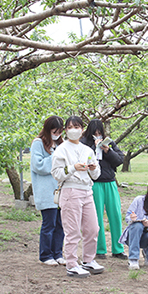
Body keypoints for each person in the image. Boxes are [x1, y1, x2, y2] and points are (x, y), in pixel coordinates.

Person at [51, 116, 105, 278]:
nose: (74, 130)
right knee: (72, 230)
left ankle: (88, 260)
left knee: (93, 228)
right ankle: (72, 264)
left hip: (87, 190)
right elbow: (57, 174)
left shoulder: (87, 150)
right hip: (70, 190)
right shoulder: (62, 149)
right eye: (70, 127)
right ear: (66, 130)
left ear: (82, 129)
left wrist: (93, 168)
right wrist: (72, 168)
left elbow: (96, 175)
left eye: (77, 126)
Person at [80, 119, 127, 260]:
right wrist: (94, 149)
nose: (97, 135)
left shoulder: (109, 142)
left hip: (110, 182)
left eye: (99, 132)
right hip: (95, 183)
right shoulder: (83, 144)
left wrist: (108, 150)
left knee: (115, 215)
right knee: (96, 217)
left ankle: (118, 248)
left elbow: (120, 159)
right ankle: (99, 249)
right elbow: (82, 161)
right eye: (94, 133)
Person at [31, 116, 65, 266]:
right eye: (54, 131)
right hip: (46, 192)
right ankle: (46, 255)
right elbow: (37, 166)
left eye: (59, 131)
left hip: (61, 191)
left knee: (60, 224)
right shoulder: (38, 143)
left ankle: (58, 253)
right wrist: (55, 157)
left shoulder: (61, 144)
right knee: (49, 224)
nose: (56, 134)